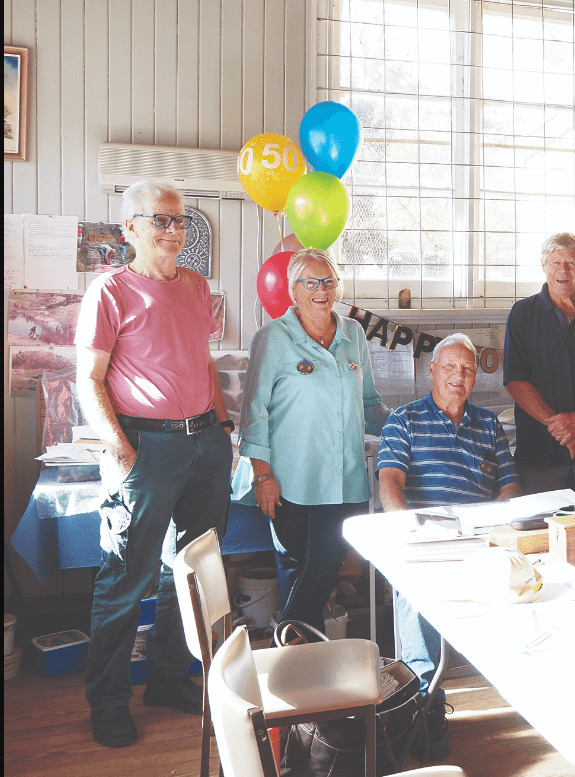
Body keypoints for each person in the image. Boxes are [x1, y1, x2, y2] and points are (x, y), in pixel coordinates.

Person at [75, 180, 233, 748]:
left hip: (204, 445)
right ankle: (108, 700)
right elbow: (89, 379)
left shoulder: (195, 286)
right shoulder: (109, 290)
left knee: (188, 570)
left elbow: (204, 363)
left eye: (180, 221)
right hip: (145, 447)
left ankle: (168, 679)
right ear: (130, 230)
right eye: (159, 220)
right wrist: (119, 448)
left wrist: (223, 428)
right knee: (126, 578)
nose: (173, 231)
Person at [378, 333, 521, 760]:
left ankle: (530, 692)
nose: (459, 375)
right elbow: (390, 482)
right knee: (416, 597)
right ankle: (426, 715)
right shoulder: (404, 420)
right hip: (424, 540)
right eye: (450, 367)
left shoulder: (489, 424)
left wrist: (493, 520)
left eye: (468, 368)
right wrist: (410, 531)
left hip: (479, 540)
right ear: (432, 371)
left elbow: (510, 486)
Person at [234, 248, 390, 632]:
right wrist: (262, 475)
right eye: (311, 282)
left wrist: (411, 426)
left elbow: (370, 403)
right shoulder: (272, 337)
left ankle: (284, 650)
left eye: (329, 281)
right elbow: (253, 411)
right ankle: (301, 663)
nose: (322, 289)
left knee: (324, 564)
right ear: (293, 290)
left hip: (345, 478)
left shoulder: (353, 334)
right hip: (289, 481)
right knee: (297, 568)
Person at [503, 233, 575, 506]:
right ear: (544, 266)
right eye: (556, 262)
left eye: (571, 262)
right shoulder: (522, 314)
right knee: (540, 534)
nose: (563, 270)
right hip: (539, 451)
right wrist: (562, 428)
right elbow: (515, 380)